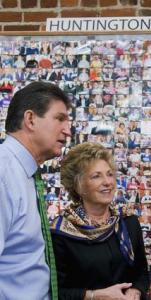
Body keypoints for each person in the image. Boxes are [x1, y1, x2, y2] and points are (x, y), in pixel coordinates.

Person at [50, 142, 150, 299]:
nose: (108, 182)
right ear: (78, 186)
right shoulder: (60, 232)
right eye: (96, 176)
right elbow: (56, 292)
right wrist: (94, 296)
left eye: (109, 174)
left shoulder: (129, 222)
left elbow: (141, 273)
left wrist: (136, 291)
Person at [0, 81, 71, 299]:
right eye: (60, 119)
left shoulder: (24, 172)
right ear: (30, 119)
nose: (68, 130)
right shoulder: (4, 173)